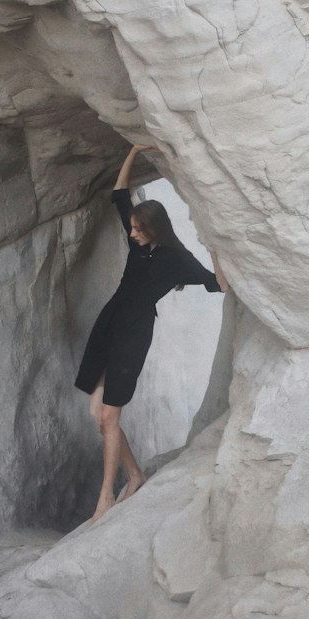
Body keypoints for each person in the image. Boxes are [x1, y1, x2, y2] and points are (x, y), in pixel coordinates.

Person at [75, 143, 229, 524]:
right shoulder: (136, 238)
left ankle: (105, 498)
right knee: (98, 414)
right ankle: (137, 475)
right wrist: (133, 151)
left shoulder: (178, 262)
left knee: (109, 418)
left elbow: (219, 285)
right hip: (109, 322)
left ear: (155, 228)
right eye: (132, 227)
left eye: (139, 229)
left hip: (134, 333)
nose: (132, 233)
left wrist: (220, 247)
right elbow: (119, 194)